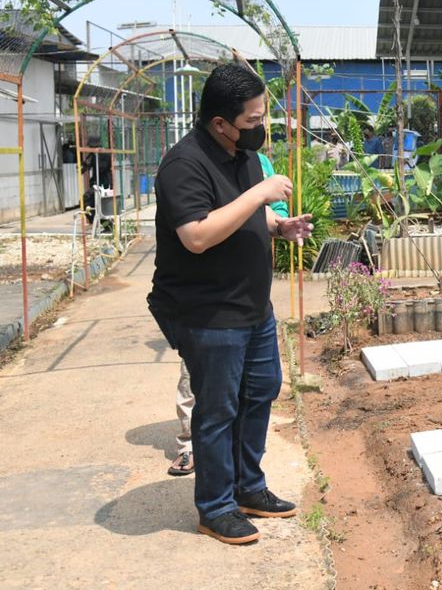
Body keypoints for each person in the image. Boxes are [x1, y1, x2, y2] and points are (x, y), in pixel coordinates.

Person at [147, 63, 313, 545]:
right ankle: (215, 507)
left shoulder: (239, 154)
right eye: (252, 121)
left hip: (250, 306)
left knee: (261, 390)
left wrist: (278, 226)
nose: (260, 128)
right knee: (217, 410)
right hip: (207, 312)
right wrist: (261, 193)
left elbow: (240, 217)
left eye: (263, 117)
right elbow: (197, 234)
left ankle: (247, 487)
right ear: (220, 122)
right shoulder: (184, 165)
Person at [168, 150, 292, 479]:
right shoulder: (192, 164)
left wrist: (281, 224)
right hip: (207, 301)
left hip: (249, 295)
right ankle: (189, 445)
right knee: (197, 379)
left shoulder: (260, 163)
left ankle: (240, 468)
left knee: (256, 382)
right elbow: (194, 231)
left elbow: (272, 210)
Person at [82, 135, 113, 225]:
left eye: (90, 146)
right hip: (97, 183)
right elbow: (84, 168)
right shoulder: (93, 155)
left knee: (90, 200)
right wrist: (86, 164)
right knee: (91, 203)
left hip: (104, 183)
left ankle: (104, 224)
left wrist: (94, 157)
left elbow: (102, 167)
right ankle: (97, 223)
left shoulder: (105, 153)